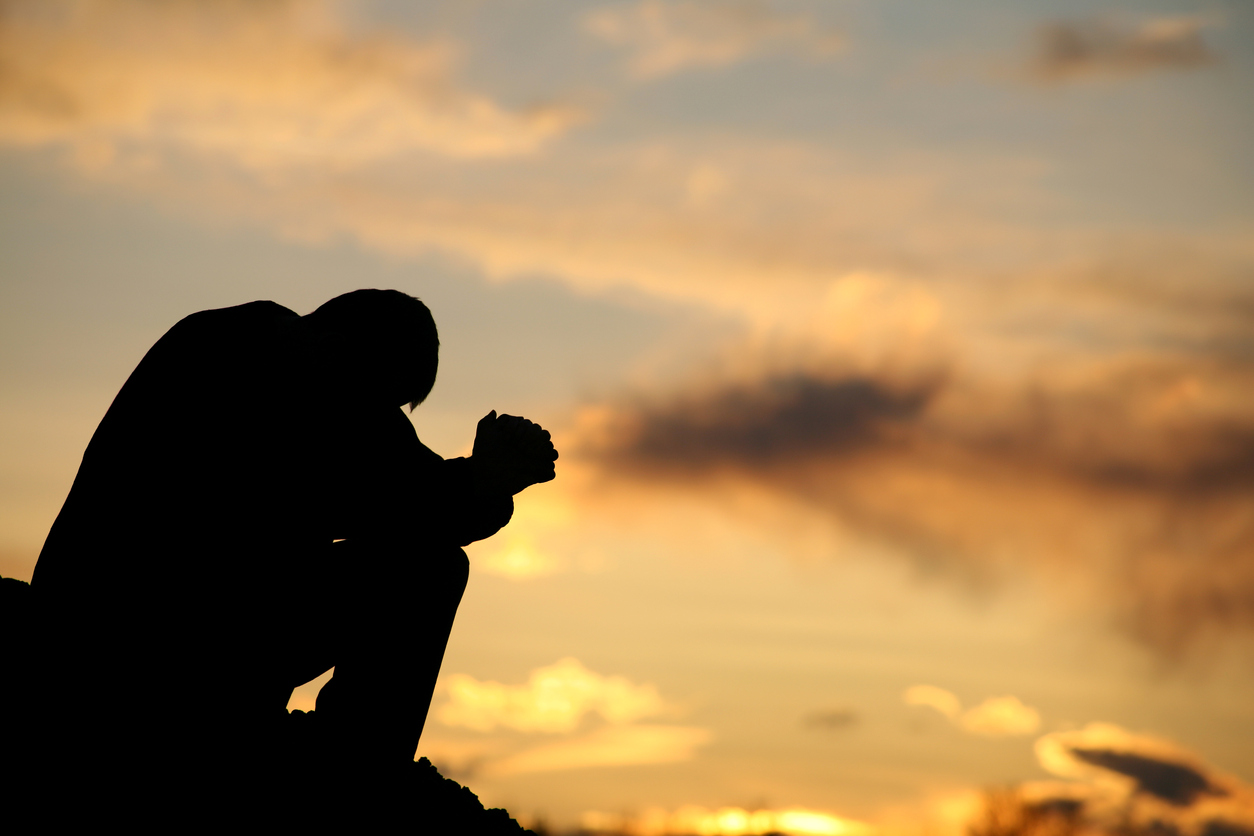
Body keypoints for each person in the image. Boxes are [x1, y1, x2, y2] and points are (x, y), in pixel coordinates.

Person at [22, 289, 557, 821]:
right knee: (428, 571)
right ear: (341, 348)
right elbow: (403, 492)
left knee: (427, 560)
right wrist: (483, 480)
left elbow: (406, 490)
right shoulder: (266, 356)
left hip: (159, 634)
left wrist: (483, 485)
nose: (382, 421)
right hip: (138, 647)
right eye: (382, 399)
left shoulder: (281, 362)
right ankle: (348, 785)